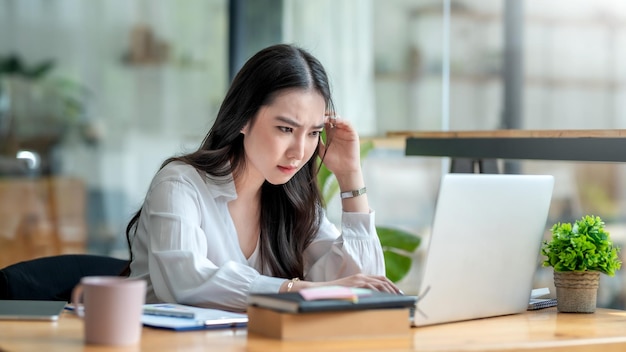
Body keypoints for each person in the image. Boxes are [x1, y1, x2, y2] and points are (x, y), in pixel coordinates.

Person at [124, 43, 400, 312]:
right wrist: (297, 289)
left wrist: (350, 175)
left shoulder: (292, 198)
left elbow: (364, 288)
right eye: (285, 128)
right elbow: (184, 282)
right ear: (243, 118)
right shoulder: (179, 185)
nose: (299, 151)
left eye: (314, 133)